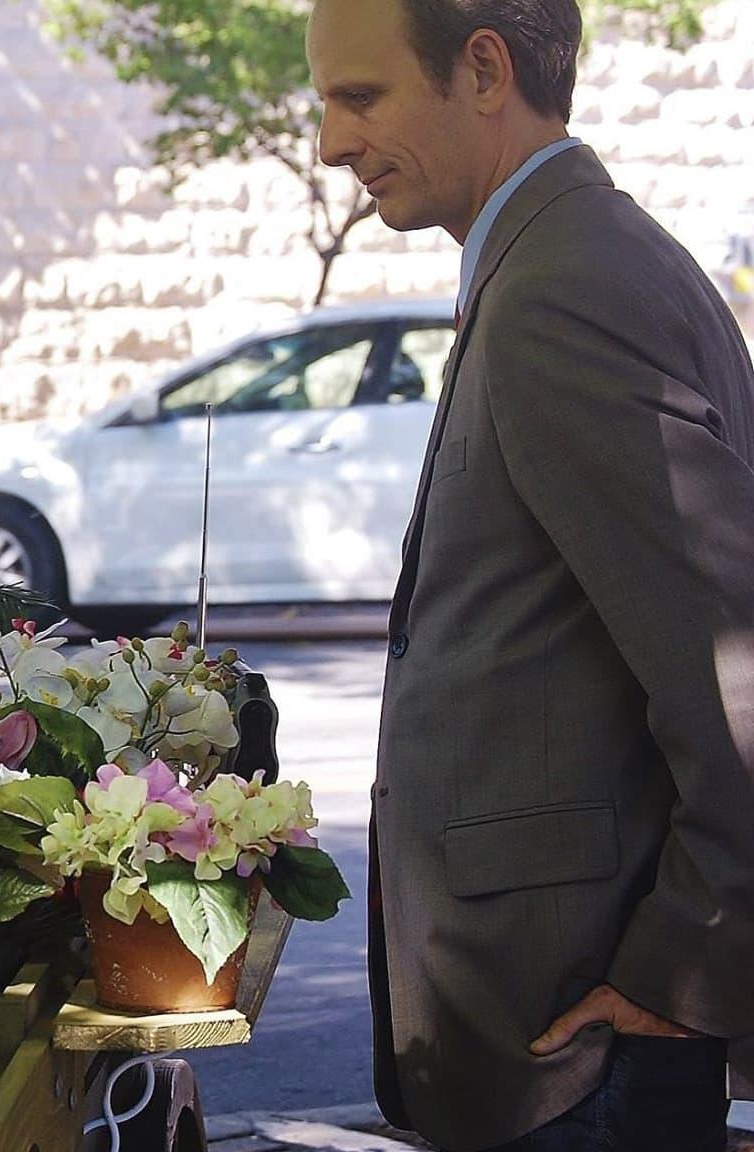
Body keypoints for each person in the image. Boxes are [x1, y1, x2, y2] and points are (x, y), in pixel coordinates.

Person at [307, 2, 754, 1148]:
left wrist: (679, 972)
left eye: (357, 97)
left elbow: (731, 668)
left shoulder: (567, 280)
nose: (328, 143)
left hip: (577, 1055)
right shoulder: (559, 254)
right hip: (562, 1043)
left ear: (484, 69)